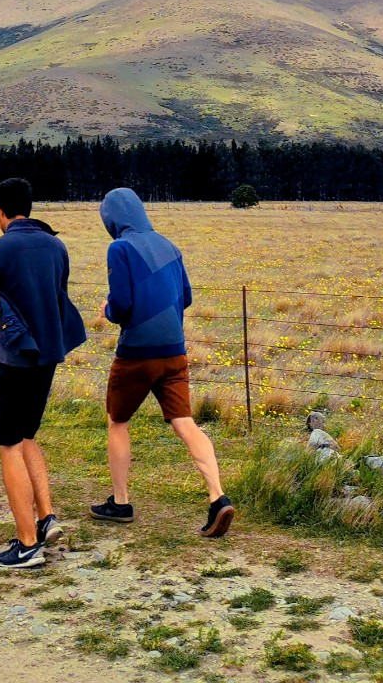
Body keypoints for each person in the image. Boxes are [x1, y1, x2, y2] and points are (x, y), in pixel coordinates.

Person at [91, 186, 233, 537]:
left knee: (118, 420)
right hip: (174, 351)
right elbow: (185, 297)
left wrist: (108, 311)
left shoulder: (119, 247)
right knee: (185, 422)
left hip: (137, 354)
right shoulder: (170, 246)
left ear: (112, 218)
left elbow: (121, 305)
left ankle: (120, 502)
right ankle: (218, 496)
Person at [0, 176, 88, 569]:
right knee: (28, 435)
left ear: (0, 212)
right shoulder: (57, 245)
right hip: (48, 356)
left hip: (13, 359)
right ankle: (45, 516)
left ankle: (27, 544)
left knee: (8, 444)